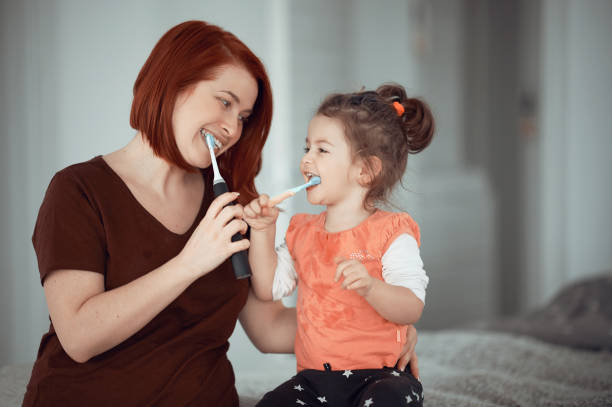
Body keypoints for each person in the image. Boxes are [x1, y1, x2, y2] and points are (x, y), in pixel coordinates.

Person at [23, 20, 420, 406]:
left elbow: (270, 331)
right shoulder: (77, 190)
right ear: (173, 82)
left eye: (243, 117)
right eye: (225, 102)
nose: (232, 128)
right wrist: (189, 263)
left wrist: (380, 332)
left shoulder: (233, 202)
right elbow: (78, 337)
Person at [244, 84, 434, 406]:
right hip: (316, 381)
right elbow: (267, 289)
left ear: (365, 170)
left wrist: (372, 288)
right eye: (306, 148)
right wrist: (262, 231)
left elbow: (411, 306)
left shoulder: (392, 232)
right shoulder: (301, 232)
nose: (306, 159)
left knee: (391, 398)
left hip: (383, 376)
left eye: (322, 150)